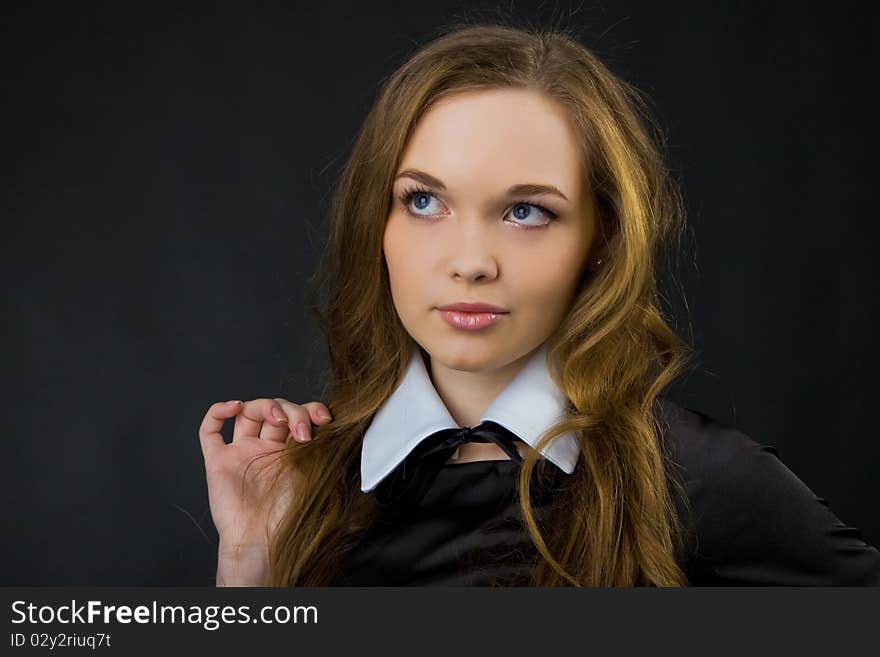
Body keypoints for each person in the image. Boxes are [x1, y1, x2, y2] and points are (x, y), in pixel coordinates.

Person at [197, 22, 880, 586]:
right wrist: (249, 563)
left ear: (601, 237)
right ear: (377, 222)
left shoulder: (692, 476)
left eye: (525, 210)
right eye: (424, 201)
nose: (470, 261)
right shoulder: (302, 479)